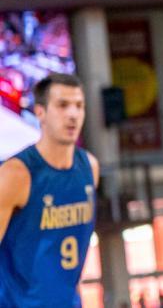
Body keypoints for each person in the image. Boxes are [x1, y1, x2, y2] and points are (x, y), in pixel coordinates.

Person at [0, 74, 100, 308]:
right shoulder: (16, 174)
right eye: (62, 105)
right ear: (40, 112)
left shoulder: (90, 168)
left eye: (79, 106)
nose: (73, 114)